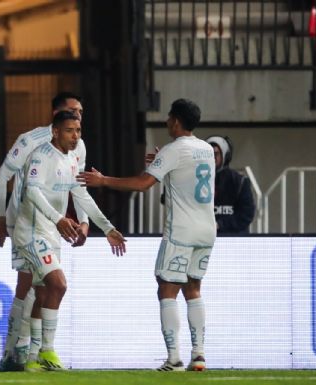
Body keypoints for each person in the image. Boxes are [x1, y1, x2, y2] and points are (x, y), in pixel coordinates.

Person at [77, 98, 214, 372]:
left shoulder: (174, 150)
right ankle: (198, 354)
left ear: (176, 120)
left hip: (182, 231)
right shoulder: (206, 148)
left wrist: (103, 180)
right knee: (193, 289)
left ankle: (174, 358)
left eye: (168, 117)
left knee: (166, 286)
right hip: (207, 229)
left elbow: (142, 184)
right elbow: (183, 172)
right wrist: (161, 161)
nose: (166, 122)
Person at [14, 110, 126, 371]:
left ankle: (32, 359)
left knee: (44, 293)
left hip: (51, 233)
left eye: (78, 131)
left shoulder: (72, 160)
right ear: (55, 131)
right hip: (31, 233)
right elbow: (31, 192)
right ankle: (47, 351)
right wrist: (58, 218)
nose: (75, 136)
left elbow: (82, 196)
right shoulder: (41, 156)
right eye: (69, 130)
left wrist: (107, 228)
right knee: (59, 284)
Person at [0, 92, 90, 371]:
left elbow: (77, 184)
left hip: (52, 224)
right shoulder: (30, 140)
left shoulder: (77, 145)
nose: (79, 116)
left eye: (81, 112)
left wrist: (83, 220)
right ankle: (15, 351)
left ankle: (26, 354)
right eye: (74, 111)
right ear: (57, 114)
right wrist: (0, 218)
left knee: (39, 286)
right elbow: (2, 177)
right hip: (25, 221)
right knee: (29, 287)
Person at [205, 135, 255, 234]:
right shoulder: (197, 181)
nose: (212, 158)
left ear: (225, 156)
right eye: (209, 154)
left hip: (234, 240)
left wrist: (220, 224)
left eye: (216, 154)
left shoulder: (240, 182)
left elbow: (246, 215)